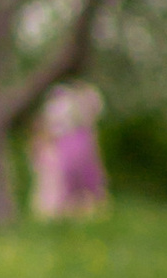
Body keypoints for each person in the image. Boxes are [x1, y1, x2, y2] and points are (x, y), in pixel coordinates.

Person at [29, 80, 109, 220]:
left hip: (67, 149)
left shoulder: (77, 132)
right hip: (60, 150)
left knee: (75, 183)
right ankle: (58, 213)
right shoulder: (70, 129)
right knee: (58, 185)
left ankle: (67, 213)